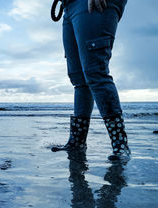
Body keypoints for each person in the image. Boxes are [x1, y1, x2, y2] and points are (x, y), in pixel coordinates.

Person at [51, 0, 131, 161]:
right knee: (78, 78)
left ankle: (120, 145)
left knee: (96, 71)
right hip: (69, 6)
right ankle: (77, 142)